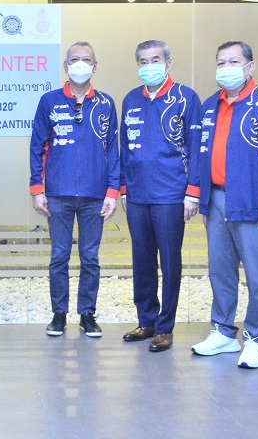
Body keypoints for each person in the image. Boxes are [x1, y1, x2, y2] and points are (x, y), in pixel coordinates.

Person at [191, 41, 258, 369]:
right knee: (220, 271)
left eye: (233, 62)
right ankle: (223, 332)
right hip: (217, 199)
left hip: (253, 202)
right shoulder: (210, 105)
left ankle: (256, 340)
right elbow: (202, 154)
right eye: (221, 62)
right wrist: (205, 202)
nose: (226, 68)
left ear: (250, 67)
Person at [30, 41, 119, 338]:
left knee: (90, 257)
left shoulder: (106, 103)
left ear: (95, 66)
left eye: (87, 59)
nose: (81, 64)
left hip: (95, 194)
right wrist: (37, 189)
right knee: (59, 256)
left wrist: (112, 191)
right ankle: (59, 313)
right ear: (66, 66)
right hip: (58, 193)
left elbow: (113, 150)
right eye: (75, 59)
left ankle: (87, 314)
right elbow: (37, 147)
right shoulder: (49, 101)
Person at [119, 40, 202, 352]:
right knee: (142, 261)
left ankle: (165, 327)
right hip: (137, 195)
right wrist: (123, 188)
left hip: (170, 194)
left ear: (168, 63)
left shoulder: (185, 98)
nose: (148, 66)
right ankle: (147, 321)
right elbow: (124, 147)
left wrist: (193, 192)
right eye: (143, 61)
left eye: (155, 59)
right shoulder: (130, 99)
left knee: (169, 261)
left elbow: (197, 149)